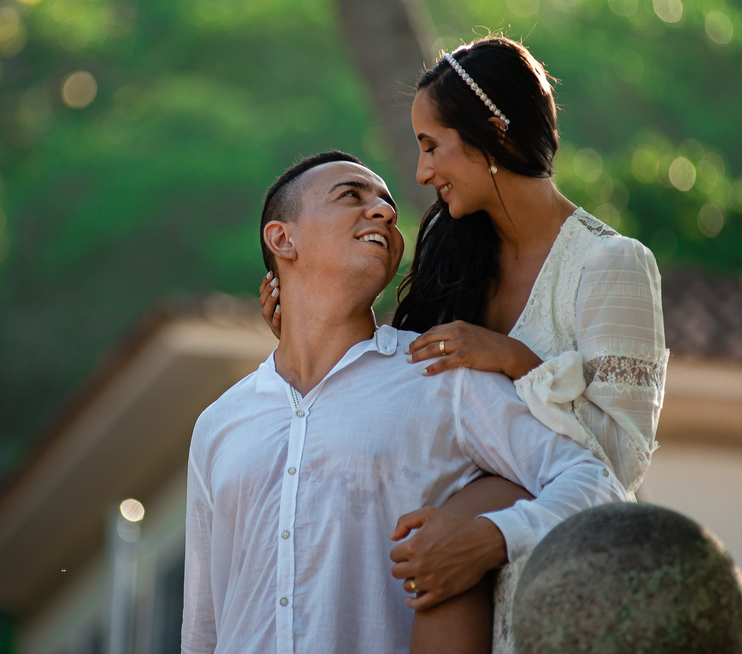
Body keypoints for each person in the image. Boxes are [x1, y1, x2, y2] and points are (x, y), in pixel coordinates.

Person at [258, 36, 668, 647]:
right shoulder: (451, 250)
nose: (422, 173)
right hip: (439, 585)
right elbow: (406, 395)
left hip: (557, 586)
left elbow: (620, 460)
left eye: (432, 146)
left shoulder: (610, 264)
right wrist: (307, 334)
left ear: (493, 132)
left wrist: (516, 361)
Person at [185, 151, 625, 654]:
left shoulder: (442, 377)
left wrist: (492, 537)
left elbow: (596, 483)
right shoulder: (219, 424)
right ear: (283, 239)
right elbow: (203, 630)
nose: (385, 212)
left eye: (389, 206)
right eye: (351, 195)